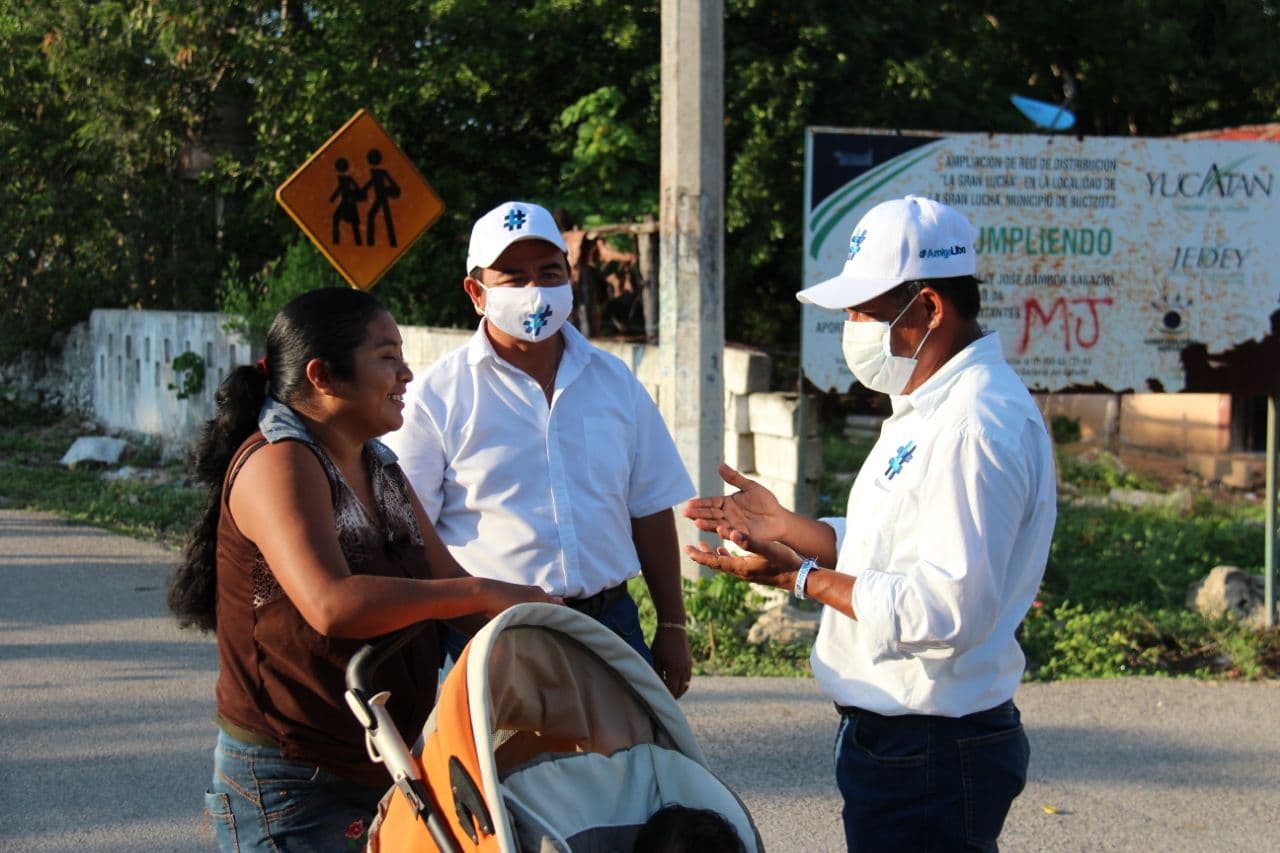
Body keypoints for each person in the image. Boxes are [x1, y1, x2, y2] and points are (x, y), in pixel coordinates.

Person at [683, 195, 1056, 850]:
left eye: (864, 310)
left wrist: (801, 579)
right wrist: (789, 528)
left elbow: (943, 608)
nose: (851, 326)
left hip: (932, 747)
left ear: (930, 307)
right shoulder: (926, 405)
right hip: (907, 741)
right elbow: (892, 547)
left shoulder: (973, 424)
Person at [167, 287, 554, 851]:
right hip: (292, 780)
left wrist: (541, 641)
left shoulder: (379, 464)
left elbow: (443, 586)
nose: (407, 374)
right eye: (387, 357)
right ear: (323, 376)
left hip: (388, 762)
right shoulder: (279, 462)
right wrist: (480, 590)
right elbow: (333, 604)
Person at [383, 201, 696, 697]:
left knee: (626, 772)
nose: (535, 292)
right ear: (477, 292)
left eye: (549, 273)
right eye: (513, 277)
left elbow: (650, 508)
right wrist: (462, 623)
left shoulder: (615, 383)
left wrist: (674, 626)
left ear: (569, 278)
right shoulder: (437, 396)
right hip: (488, 632)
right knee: (500, 774)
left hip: (609, 623)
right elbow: (408, 535)